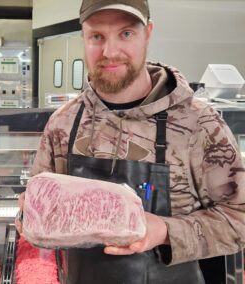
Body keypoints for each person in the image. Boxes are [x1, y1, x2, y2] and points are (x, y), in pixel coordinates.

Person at [16, 0, 245, 283]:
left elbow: (240, 220)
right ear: (83, 38)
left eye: (126, 34)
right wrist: (31, 217)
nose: (110, 52)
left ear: (147, 33)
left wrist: (162, 230)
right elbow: (40, 217)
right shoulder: (64, 122)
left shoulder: (198, 124)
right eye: (97, 36)